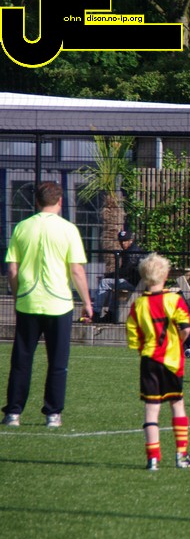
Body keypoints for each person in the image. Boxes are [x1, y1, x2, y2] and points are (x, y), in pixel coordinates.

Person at [3, 181, 93, 428]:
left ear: (37, 202)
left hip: (28, 302)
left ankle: (13, 413)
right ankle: (53, 414)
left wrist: (17, 295)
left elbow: (12, 269)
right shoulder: (68, 230)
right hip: (59, 304)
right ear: (60, 201)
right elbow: (76, 270)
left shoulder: (22, 227)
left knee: (21, 360)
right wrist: (87, 302)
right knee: (57, 362)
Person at [126, 253, 190, 470]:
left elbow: (133, 336)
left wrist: (143, 350)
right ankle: (181, 455)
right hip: (171, 361)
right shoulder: (174, 300)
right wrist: (177, 343)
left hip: (148, 360)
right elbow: (186, 328)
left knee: (151, 408)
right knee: (177, 404)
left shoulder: (138, 305)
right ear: (165, 275)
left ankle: (152, 458)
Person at [92, 229, 146, 323]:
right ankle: (111, 315)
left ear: (130, 240)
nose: (123, 243)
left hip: (133, 283)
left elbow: (124, 272)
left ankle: (95, 313)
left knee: (104, 283)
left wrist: (109, 275)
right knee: (115, 286)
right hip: (134, 282)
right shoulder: (132, 250)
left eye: (125, 241)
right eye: (121, 241)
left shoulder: (131, 253)